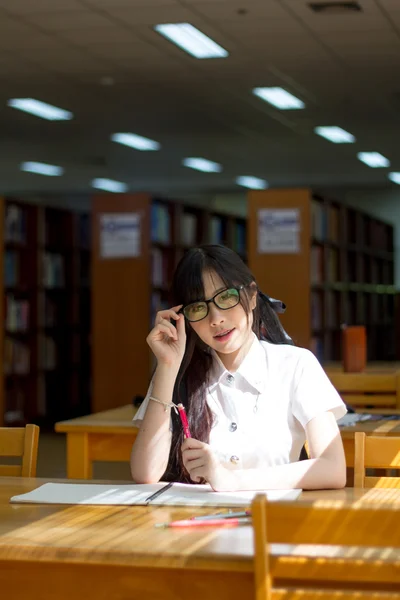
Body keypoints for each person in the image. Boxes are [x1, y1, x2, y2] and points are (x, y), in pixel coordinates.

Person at [130, 244, 347, 491]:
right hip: (198, 525)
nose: (216, 319)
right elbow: (145, 473)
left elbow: (333, 468)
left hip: (274, 522)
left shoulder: (296, 365)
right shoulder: (177, 375)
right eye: (198, 308)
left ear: (252, 296)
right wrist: (167, 366)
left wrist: (231, 480)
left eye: (225, 297)